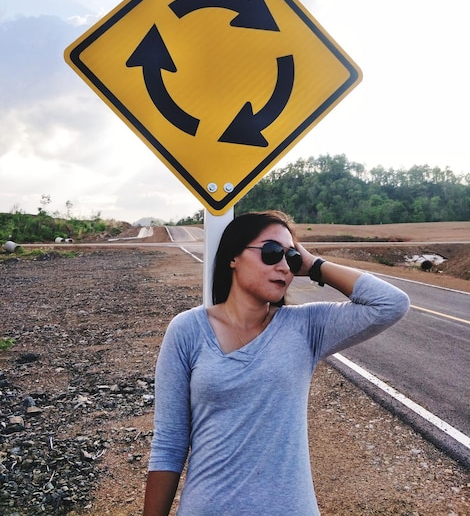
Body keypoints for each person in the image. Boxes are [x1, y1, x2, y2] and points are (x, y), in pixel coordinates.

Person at [143, 211, 409, 516]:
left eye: (291, 258)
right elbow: (169, 444)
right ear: (233, 257)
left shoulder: (306, 326)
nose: (284, 267)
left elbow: (391, 304)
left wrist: (314, 265)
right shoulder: (187, 330)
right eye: (271, 253)